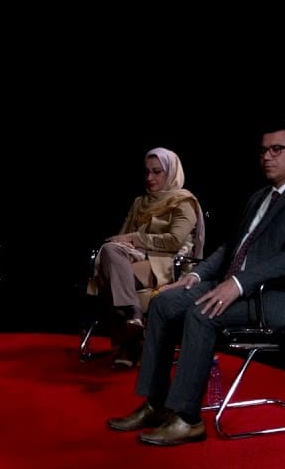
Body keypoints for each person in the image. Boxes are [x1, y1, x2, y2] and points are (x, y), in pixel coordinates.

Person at [107, 120, 285, 445]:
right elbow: (231, 248)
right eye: (263, 150)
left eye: (276, 149)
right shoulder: (260, 197)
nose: (267, 157)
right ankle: (156, 404)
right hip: (237, 286)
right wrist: (195, 276)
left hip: (281, 296)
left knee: (202, 313)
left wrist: (237, 283)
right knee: (164, 302)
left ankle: (187, 418)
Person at [87, 147, 204, 368]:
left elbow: (174, 241)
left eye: (157, 172)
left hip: (164, 264)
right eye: (147, 172)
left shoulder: (183, 202)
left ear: (171, 172)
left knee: (108, 281)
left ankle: (129, 345)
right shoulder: (140, 202)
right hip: (132, 262)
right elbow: (120, 240)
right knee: (110, 252)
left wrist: (135, 238)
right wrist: (124, 243)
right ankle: (134, 317)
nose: (150, 177)